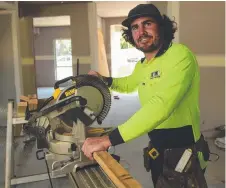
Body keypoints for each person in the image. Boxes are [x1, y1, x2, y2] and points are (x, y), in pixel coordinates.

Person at [82, 3, 209, 187]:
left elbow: (161, 106)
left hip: (183, 148)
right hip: (157, 145)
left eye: (147, 23)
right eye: (135, 27)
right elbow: (129, 83)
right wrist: (105, 80)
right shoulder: (143, 65)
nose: (141, 31)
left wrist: (109, 139)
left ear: (161, 26)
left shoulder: (180, 56)